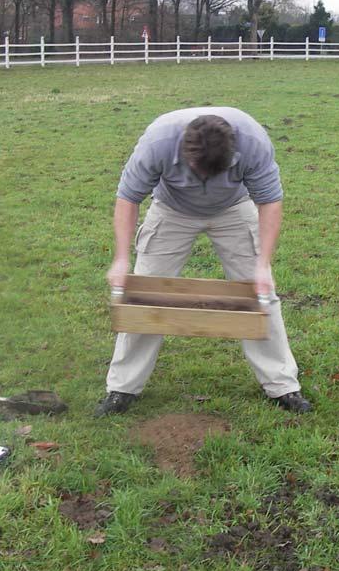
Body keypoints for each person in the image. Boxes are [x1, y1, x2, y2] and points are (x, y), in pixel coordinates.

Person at [96, 107, 312, 416]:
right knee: (142, 296)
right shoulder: (158, 141)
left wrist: (263, 265)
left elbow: (269, 202)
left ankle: (283, 386)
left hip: (233, 208)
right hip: (172, 208)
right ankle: (122, 388)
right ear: (184, 151)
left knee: (262, 295)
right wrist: (120, 259)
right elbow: (127, 198)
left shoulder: (253, 141)